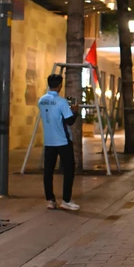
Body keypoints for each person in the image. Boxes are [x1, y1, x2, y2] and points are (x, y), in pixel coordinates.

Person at [38, 74, 80, 211]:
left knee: (48, 171)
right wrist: (75, 112)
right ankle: (66, 200)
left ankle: (50, 200)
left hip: (48, 141)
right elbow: (69, 121)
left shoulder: (41, 100)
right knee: (69, 169)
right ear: (60, 85)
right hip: (63, 141)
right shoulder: (61, 102)